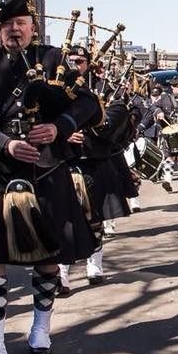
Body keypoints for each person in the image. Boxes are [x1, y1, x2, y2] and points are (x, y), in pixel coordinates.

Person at [0, 0, 102, 354]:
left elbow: (88, 104)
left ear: (33, 27)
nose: (14, 29)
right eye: (7, 24)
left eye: (21, 22)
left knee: (48, 255)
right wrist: (3, 143)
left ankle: (41, 331)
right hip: (0, 172)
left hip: (47, 169)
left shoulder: (54, 60)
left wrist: (60, 127)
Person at [58, 46, 132, 293]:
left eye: (80, 60)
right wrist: (64, 133)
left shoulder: (104, 88)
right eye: (71, 60)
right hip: (65, 161)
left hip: (94, 161)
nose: (75, 64)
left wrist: (88, 130)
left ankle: (94, 264)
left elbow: (115, 117)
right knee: (64, 219)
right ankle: (62, 273)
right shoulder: (56, 87)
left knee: (94, 218)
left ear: (88, 63)